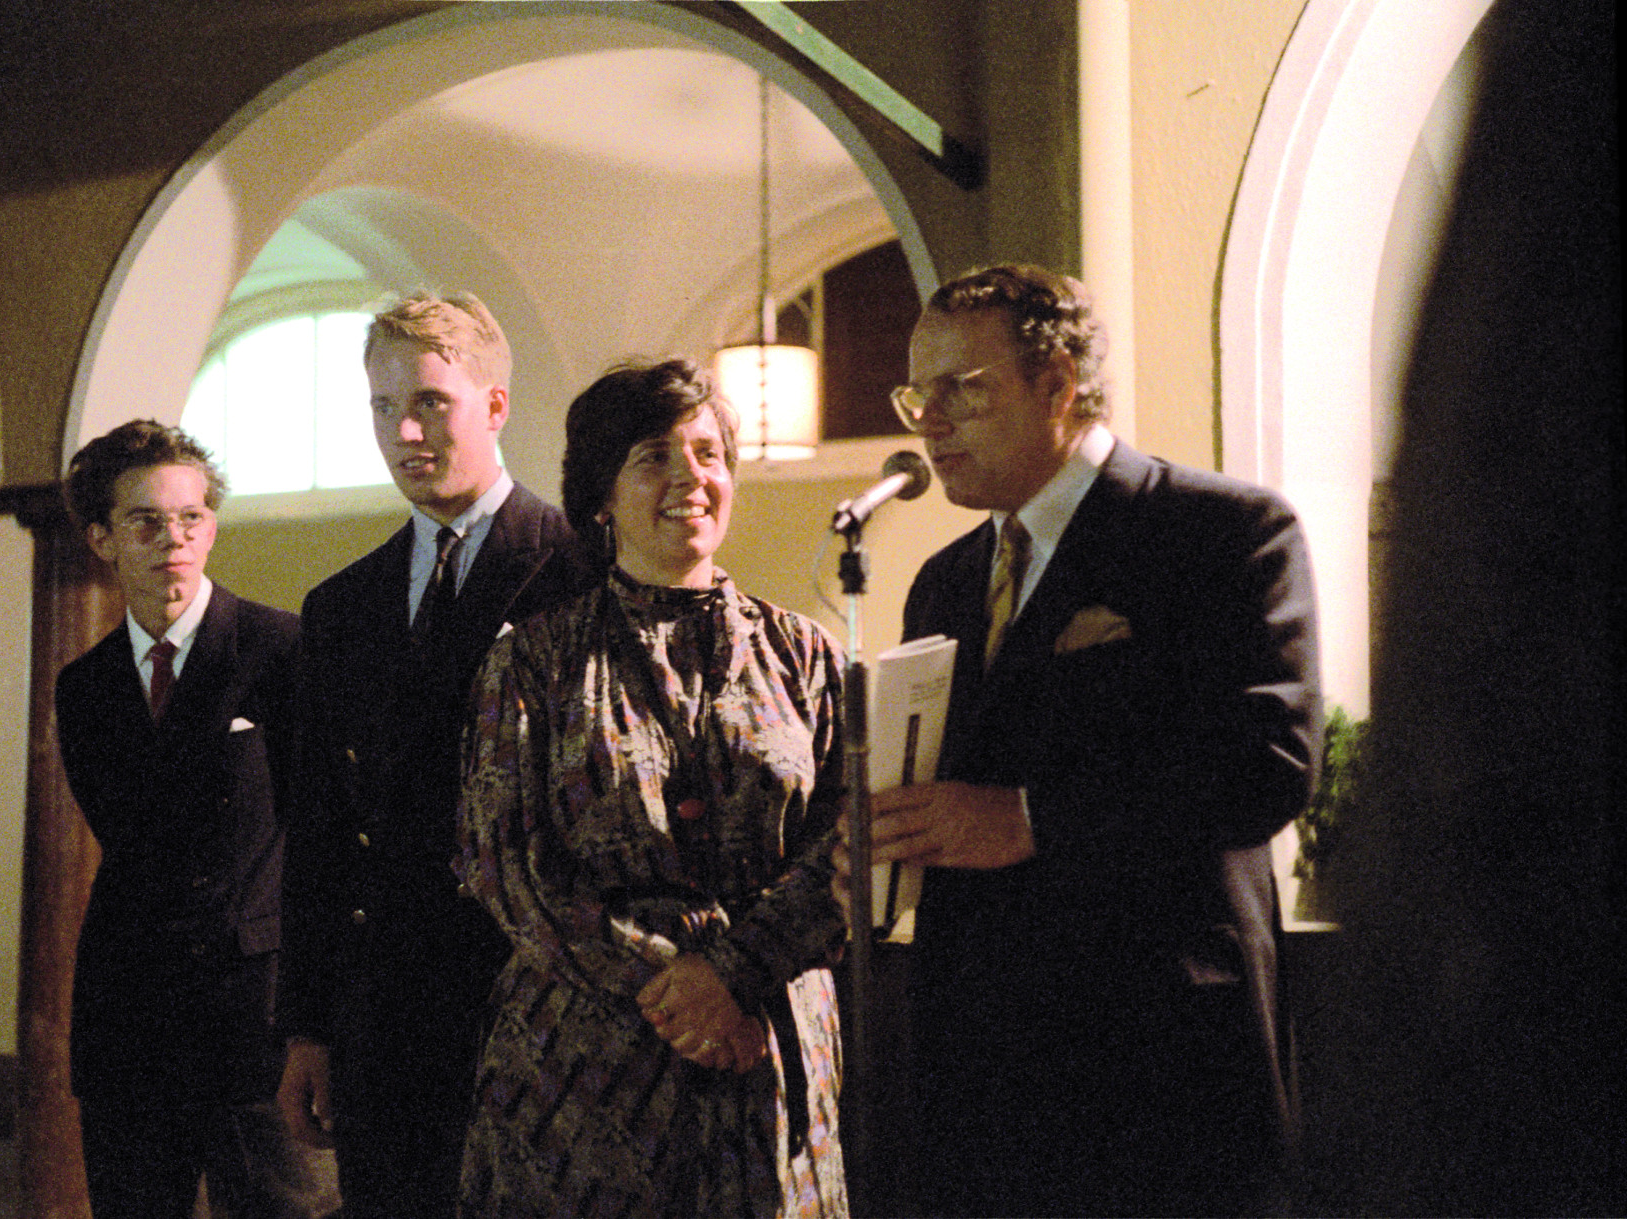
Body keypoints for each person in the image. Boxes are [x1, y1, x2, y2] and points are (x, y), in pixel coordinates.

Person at [843, 264, 1322, 1217]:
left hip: (1159, 1067)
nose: (927, 422)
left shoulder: (1225, 532)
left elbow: (1269, 763)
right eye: (915, 393)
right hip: (981, 1081)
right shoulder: (944, 578)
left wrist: (1034, 819)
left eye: (959, 390)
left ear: (1057, 383)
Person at [457, 359, 848, 1217]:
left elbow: (849, 845)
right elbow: (503, 865)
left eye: (708, 453)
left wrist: (737, 973)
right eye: (653, 457)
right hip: (584, 1074)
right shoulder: (532, 660)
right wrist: (682, 988)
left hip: (765, 1050)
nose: (690, 477)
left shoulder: (808, 655)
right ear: (600, 493)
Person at [275, 290, 594, 1217]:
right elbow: (320, 835)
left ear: (495, 406)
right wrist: (307, 1027)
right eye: (383, 407)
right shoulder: (342, 604)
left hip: (530, 999)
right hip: (383, 1016)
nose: (405, 430)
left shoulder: (578, 568)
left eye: (429, 403)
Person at [55, 420, 316, 1218]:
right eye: (146, 521)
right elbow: (127, 842)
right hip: (128, 1017)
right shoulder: (85, 685)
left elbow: (322, 840)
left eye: (191, 517)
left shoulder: (281, 647)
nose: (174, 537)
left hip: (253, 1019)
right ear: (102, 537)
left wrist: (317, 1022)